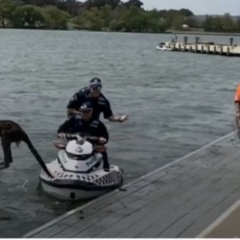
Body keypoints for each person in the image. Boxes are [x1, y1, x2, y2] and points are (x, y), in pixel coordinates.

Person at [58, 102, 110, 170]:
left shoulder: (98, 123)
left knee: (102, 152)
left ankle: (106, 169)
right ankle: (61, 167)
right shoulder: (74, 119)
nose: (84, 114)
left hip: (91, 145)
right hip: (74, 144)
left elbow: (105, 137)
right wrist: (61, 133)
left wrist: (102, 139)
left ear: (91, 112)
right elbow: (61, 128)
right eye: (82, 111)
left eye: (87, 111)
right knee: (62, 151)